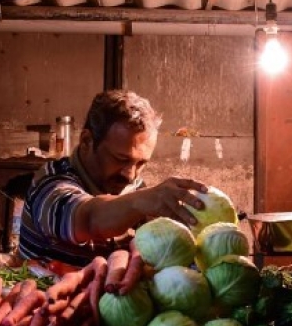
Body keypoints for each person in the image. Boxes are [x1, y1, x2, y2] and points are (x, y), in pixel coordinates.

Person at [17, 89, 208, 267]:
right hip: (45, 297)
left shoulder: (133, 187)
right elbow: (89, 218)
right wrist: (141, 202)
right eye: (120, 159)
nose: (130, 175)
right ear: (87, 141)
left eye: (141, 163)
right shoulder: (51, 183)